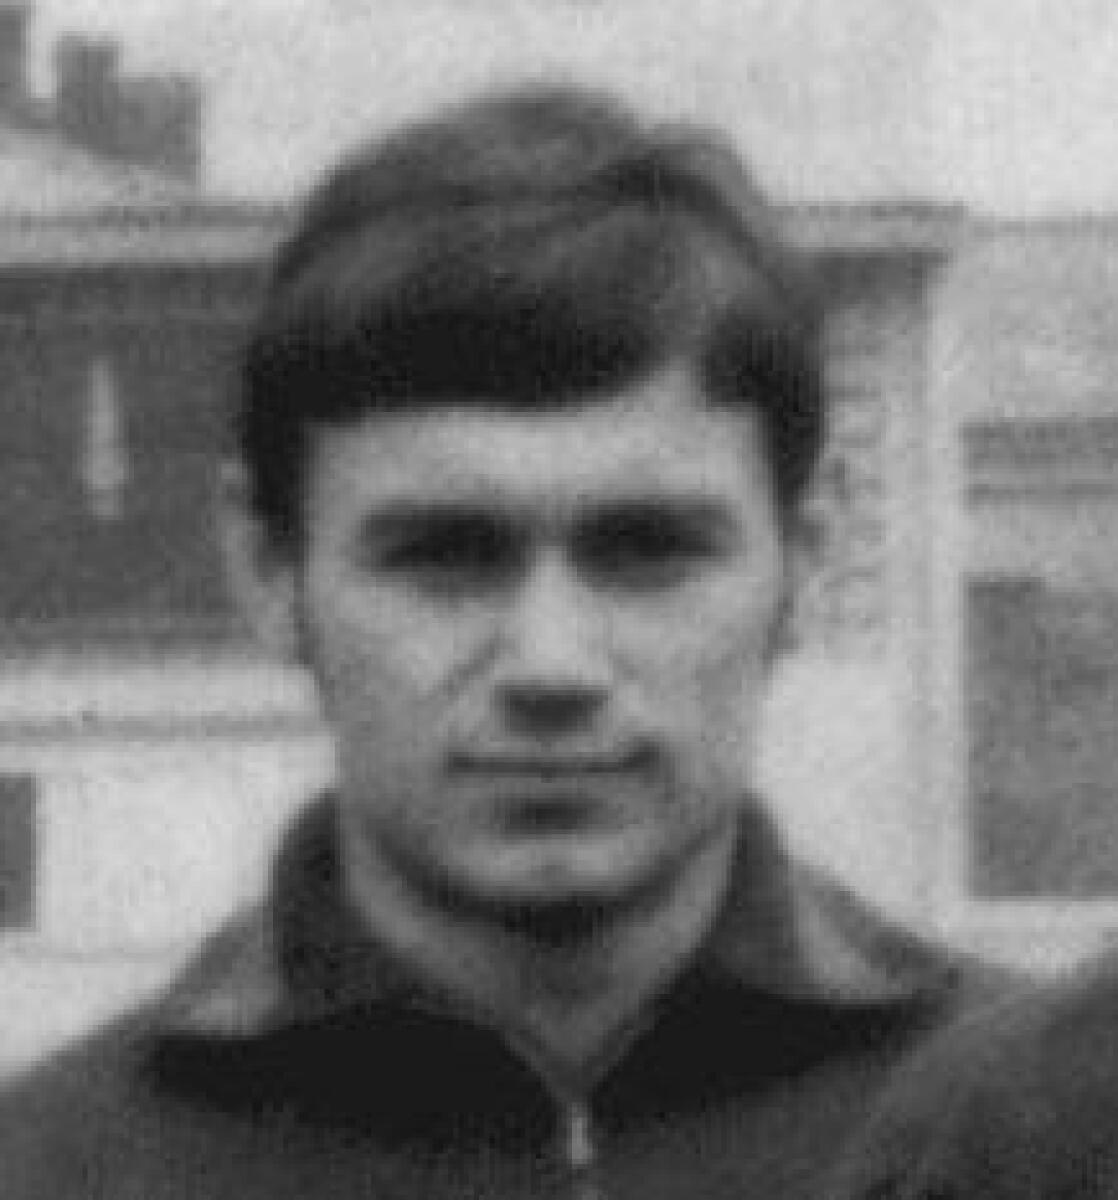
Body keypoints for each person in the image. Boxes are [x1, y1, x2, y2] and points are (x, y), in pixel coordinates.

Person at [0, 82, 1014, 1199]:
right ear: (269, 571)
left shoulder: (1046, 1142)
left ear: (804, 557)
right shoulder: (50, 1170)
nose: (551, 667)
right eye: (443, 556)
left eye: (648, 551)